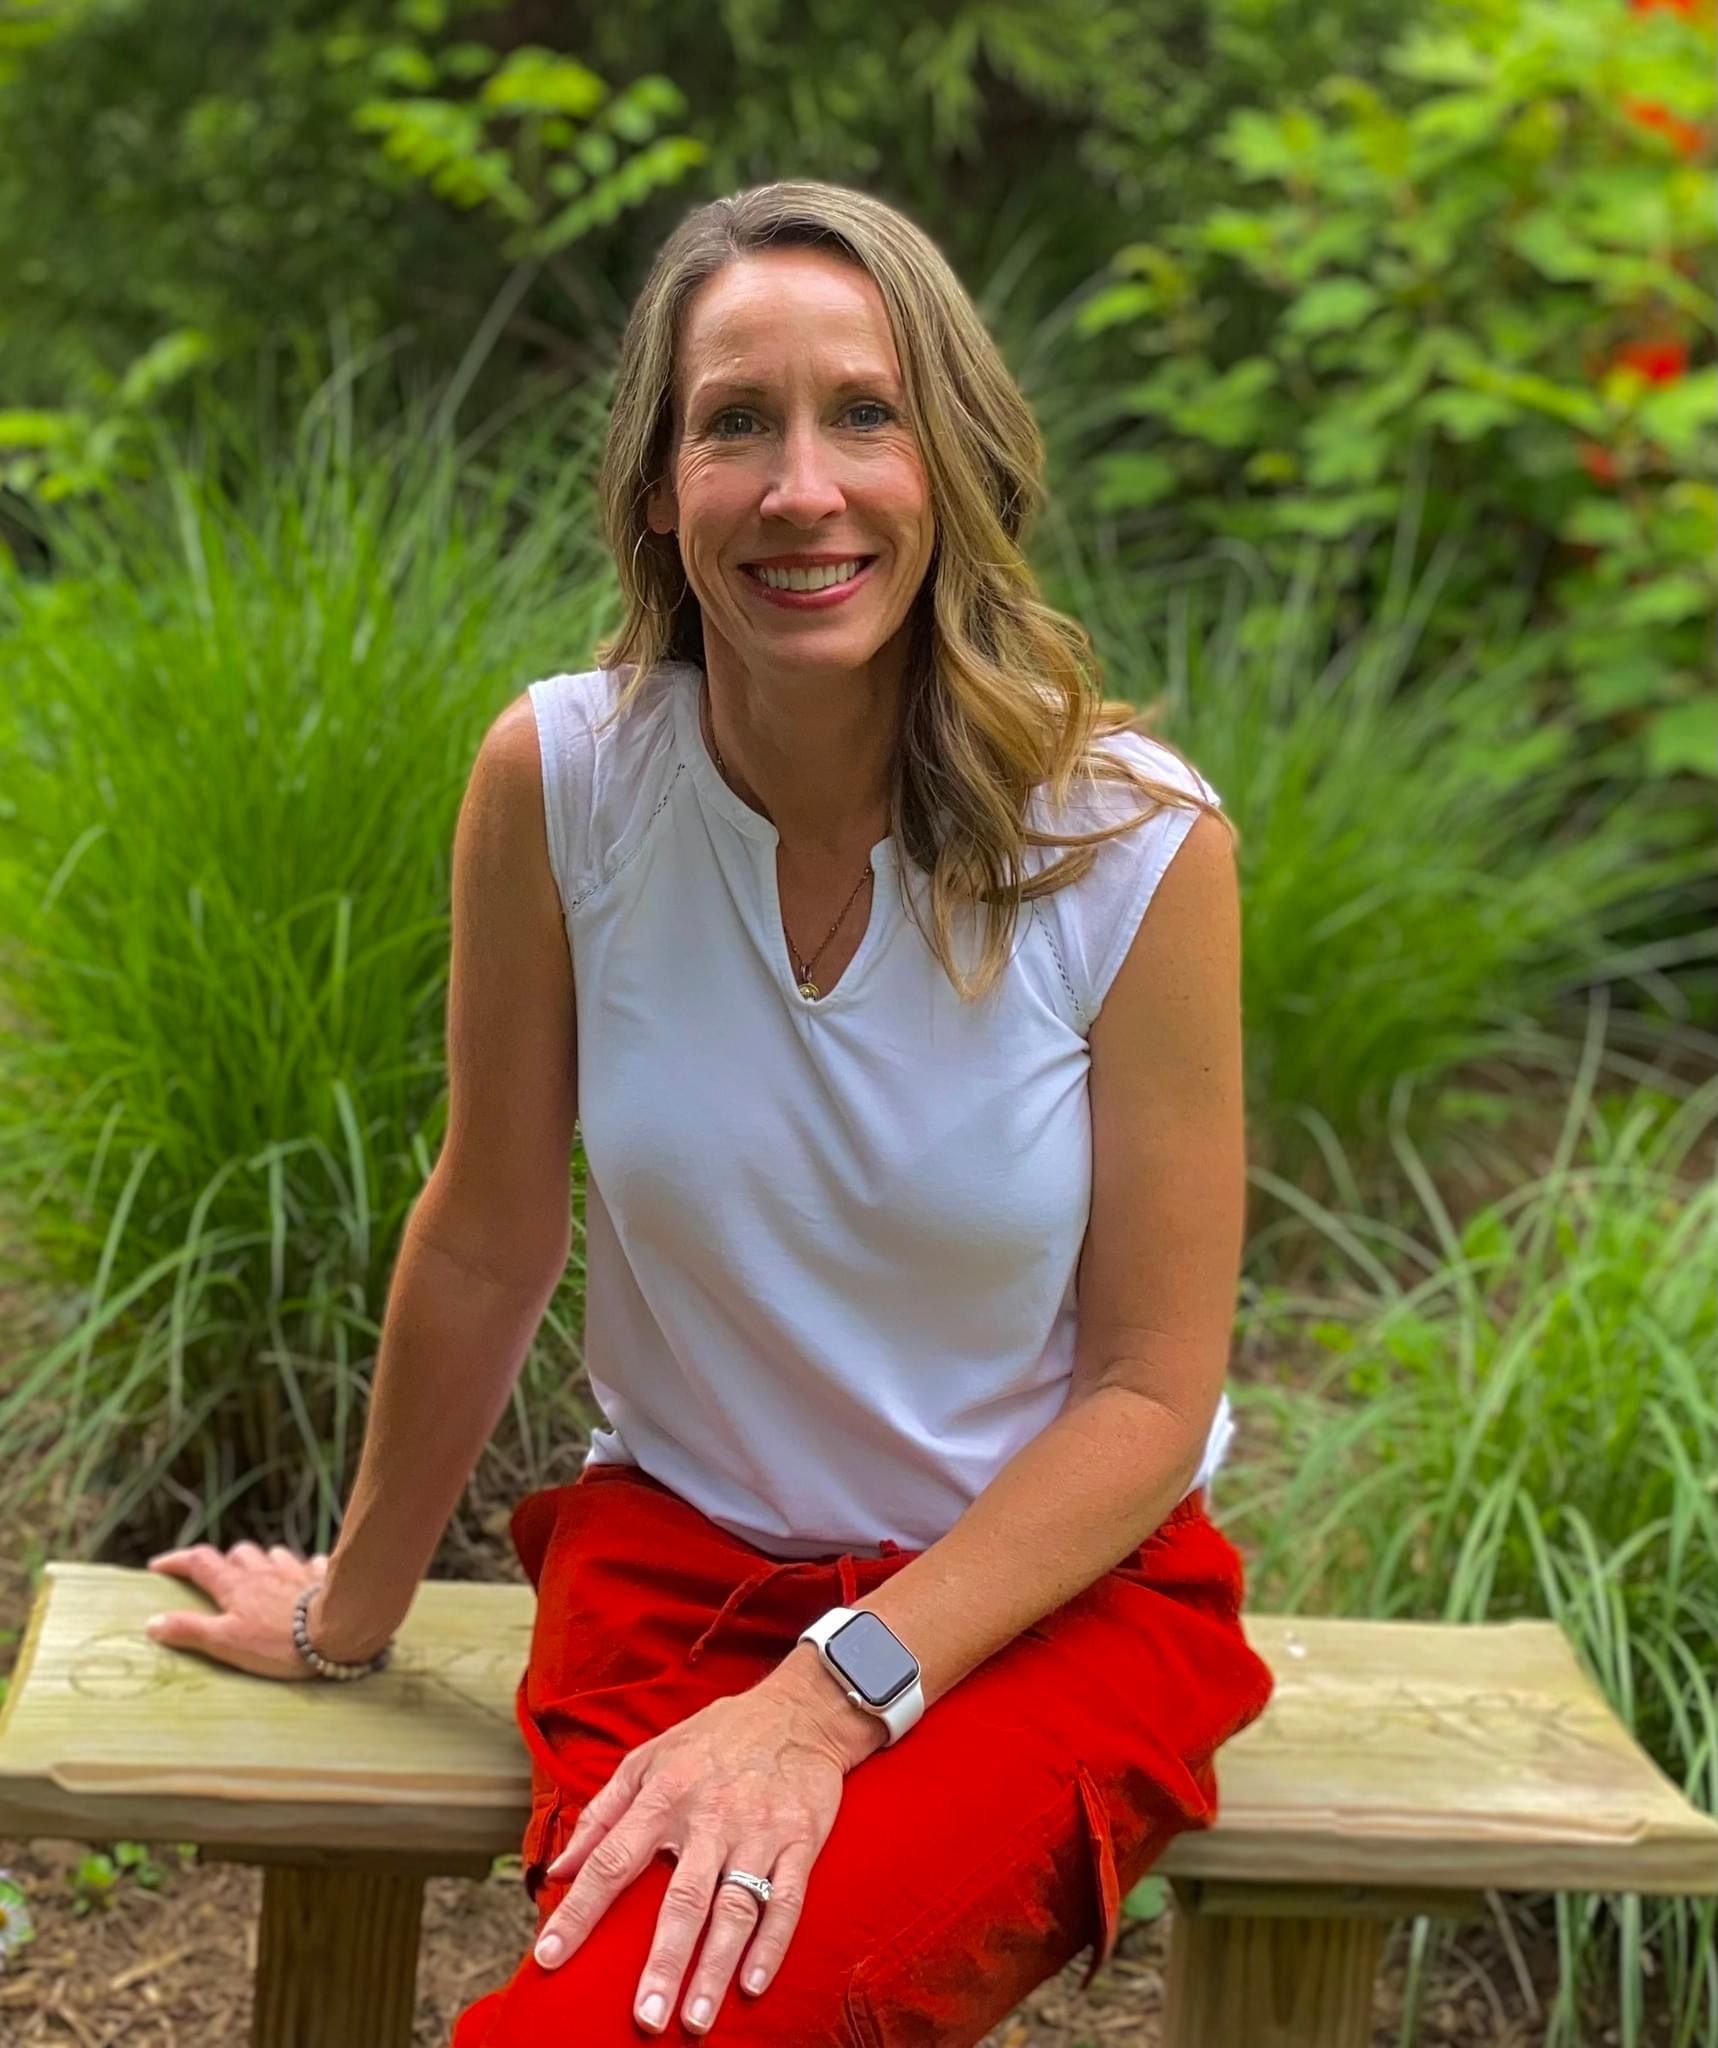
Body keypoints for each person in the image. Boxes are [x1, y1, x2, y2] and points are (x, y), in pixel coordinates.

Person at [141, 178, 1276, 2045]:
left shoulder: (1130, 846)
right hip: (679, 1575)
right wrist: (350, 1617)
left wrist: (833, 1694)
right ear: (658, 490)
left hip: (1042, 1605)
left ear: (957, 465)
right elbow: (489, 1228)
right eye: (732, 420)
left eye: (864, 414)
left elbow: (1152, 1398)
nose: (799, 488)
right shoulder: (564, 783)